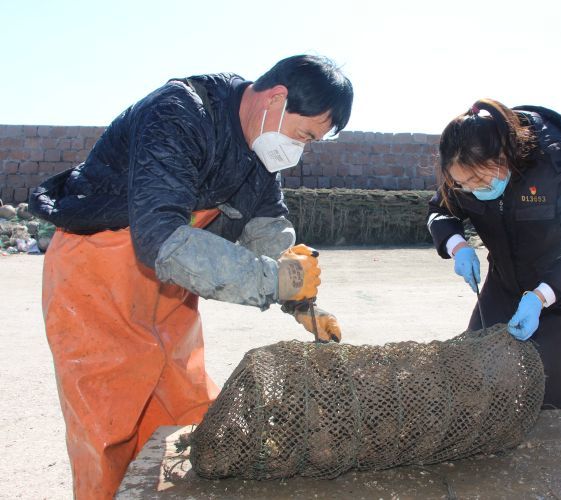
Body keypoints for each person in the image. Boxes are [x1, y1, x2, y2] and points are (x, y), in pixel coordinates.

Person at [28, 55, 353, 499]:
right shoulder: (180, 112)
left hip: (169, 289)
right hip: (96, 276)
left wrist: (301, 303)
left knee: (188, 410)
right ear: (276, 98)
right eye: (304, 135)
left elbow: (267, 226)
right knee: (109, 426)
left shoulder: (261, 145)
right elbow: (159, 237)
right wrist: (271, 281)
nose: (300, 150)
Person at [427, 99, 561, 410]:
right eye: (462, 183)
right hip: (505, 282)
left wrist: (541, 296)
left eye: (479, 180)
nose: (470, 189)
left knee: (552, 393)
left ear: (503, 156)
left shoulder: (556, 167)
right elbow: (438, 213)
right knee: (475, 375)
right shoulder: (463, 171)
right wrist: (458, 246)